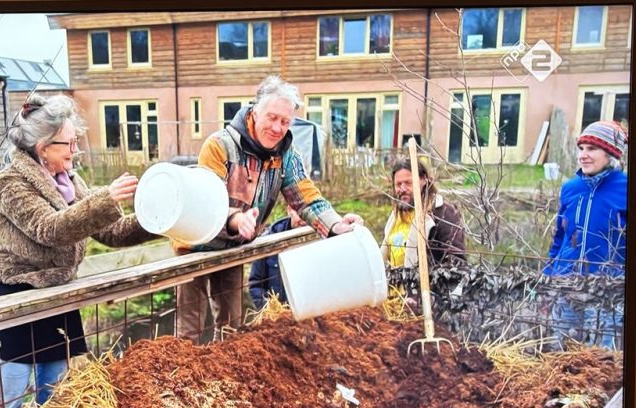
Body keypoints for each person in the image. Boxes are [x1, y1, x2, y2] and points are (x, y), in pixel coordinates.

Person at [0, 94, 156, 408]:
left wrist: (158, 219)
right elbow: (50, 230)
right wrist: (105, 198)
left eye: (76, 141)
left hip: (56, 298)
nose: (75, 150)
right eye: (69, 143)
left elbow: (113, 231)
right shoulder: (10, 183)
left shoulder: (68, 180)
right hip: (17, 298)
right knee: (11, 402)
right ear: (42, 145)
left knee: (57, 396)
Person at [176, 75, 364, 343]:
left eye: (285, 122)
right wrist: (235, 218)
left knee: (231, 322)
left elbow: (306, 197)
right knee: (190, 323)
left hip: (232, 246)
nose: (278, 128)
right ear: (254, 112)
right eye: (272, 118)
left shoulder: (286, 155)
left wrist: (335, 226)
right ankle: (181, 374)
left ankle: (223, 378)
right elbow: (207, 202)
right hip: (195, 241)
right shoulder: (219, 146)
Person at [543, 120, 628, 350]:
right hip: (567, 285)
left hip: (606, 290)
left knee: (601, 361)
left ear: (611, 154)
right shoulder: (571, 188)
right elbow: (560, 236)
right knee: (563, 356)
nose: (583, 155)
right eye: (581, 148)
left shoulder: (628, 188)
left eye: (592, 149)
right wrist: (549, 271)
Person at [381, 158, 466, 270]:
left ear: (424, 180)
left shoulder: (442, 213)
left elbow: (457, 262)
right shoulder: (396, 217)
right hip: (393, 286)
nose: (402, 189)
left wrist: (433, 281)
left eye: (408, 183)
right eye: (398, 184)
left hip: (425, 286)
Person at [248, 204, 309, 309]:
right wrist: (270, 311)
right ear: (289, 210)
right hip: (280, 315)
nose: (304, 220)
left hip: (311, 311)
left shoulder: (321, 239)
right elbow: (256, 284)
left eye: (308, 215)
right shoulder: (268, 241)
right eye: (300, 213)